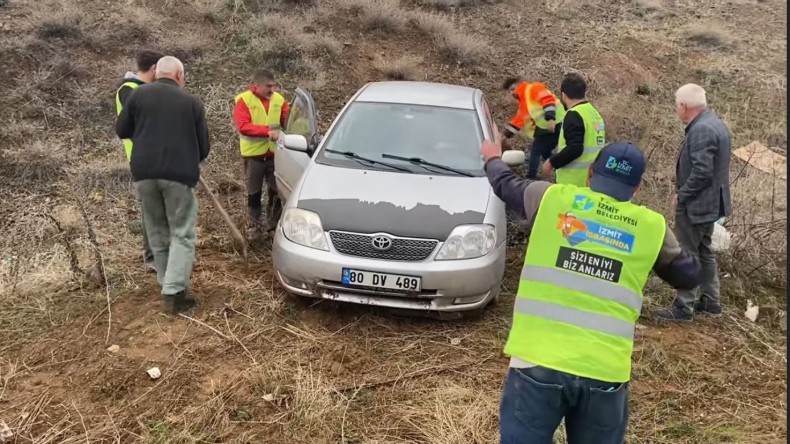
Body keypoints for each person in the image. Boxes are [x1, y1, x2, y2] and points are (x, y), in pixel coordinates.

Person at [481, 132, 701, 444]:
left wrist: (492, 158)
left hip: (537, 361)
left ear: (590, 174)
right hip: (605, 372)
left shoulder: (551, 199)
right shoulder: (652, 227)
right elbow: (688, 276)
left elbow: (506, 185)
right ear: (637, 187)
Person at [115, 56, 210, 314]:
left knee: (156, 230)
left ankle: (167, 283)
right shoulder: (192, 103)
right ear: (179, 75)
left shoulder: (137, 96)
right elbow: (204, 148)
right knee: (182, 232)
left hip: (144, 173)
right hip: (178, 174)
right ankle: (175, 292)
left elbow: (122, 130)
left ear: (158, 73)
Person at [655, 83, 732, 322]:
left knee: (688, 252)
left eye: (677, 105)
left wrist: (682, 195)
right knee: (704, 250)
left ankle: (684, 307)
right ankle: (711, 302)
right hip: (709, 203)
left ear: (683, 106)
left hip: (697, 204)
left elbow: (702, 172)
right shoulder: (713, 123)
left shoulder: (701, 130)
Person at [115, 49, 165, 272]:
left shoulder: (149, 90)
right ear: (155, 68)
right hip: (144, 159)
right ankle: (152, 258)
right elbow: (137, 127)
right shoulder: (129, 90)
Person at [233, 69, 290, 233]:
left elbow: (289, 121)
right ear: (256, 86)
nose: (272, 90)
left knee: (277, 192)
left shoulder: (279, 100)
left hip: (275, 156)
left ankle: (274, 228)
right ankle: (253, 226)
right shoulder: (244, 100)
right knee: (254, 193)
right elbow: (243, 126)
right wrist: (267, 132)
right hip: (253, 157)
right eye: (268, 86)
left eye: (273, 86)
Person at [542, 73, 606, 186]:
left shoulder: (574, 114)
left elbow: (575, 148)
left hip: (572, 183)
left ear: (564, 95)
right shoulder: (594, 114)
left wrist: (551, 162)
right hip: (591, 181)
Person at [502, 77, 565, 179]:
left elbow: (548, 100)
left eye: (513, 89)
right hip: (547, 127)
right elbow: (519, 120)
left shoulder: (534, 89)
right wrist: (505, 135)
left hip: (556, 122)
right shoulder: (524, 101)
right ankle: (559, 168)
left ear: (520, 85)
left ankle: (531, 176)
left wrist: (550, 118)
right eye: (510, 91)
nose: (512, 93)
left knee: (536, 150)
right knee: (545, 152)